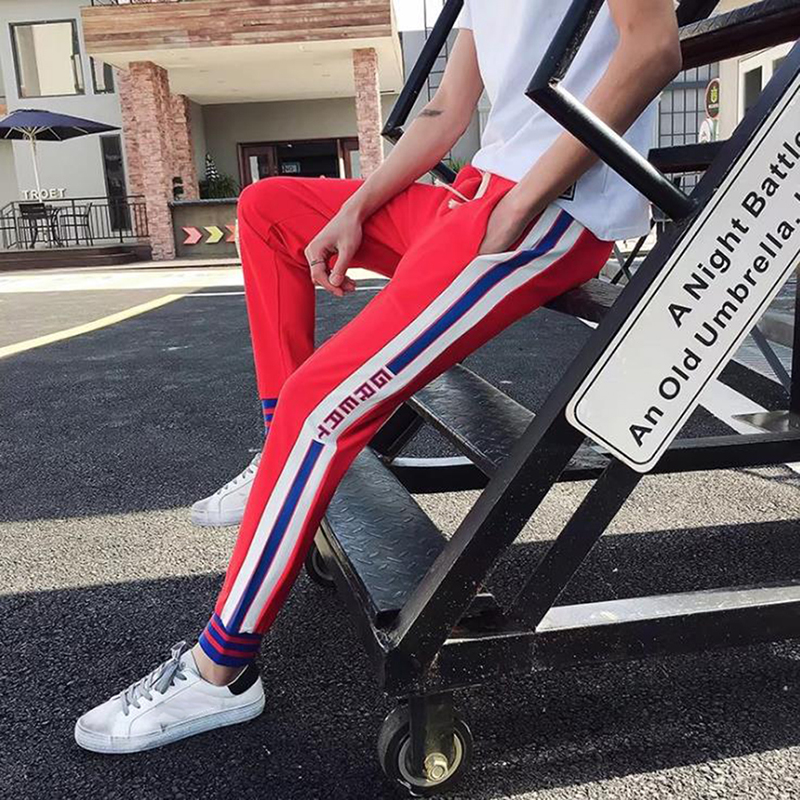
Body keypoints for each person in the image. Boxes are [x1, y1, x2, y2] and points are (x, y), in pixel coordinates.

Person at [75, 0, 681, 753]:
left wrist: (522, 201)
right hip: (472, 197)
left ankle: (219, 671)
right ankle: (279, 454)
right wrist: (358, 207)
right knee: (268, 208)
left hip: (549, 211)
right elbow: (446, 111)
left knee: (319, 406)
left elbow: (652, 49)